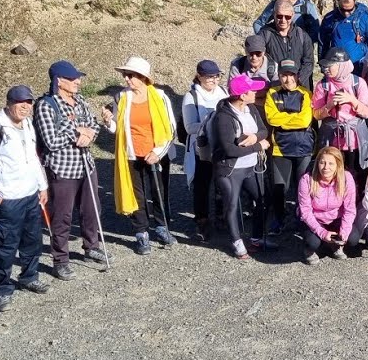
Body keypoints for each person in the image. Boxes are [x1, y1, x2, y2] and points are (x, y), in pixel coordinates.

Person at [0, 85, 51, 312]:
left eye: (29, 102)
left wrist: (42, 186)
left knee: (32, 241)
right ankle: (3, 290)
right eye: (20, 102)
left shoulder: (27, 124)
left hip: (31, 196)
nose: (25, 107)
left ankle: (29, 277)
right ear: (9, 103)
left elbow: (33, 159)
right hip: (8, 200)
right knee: (6, 247)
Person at [35, 61, 111, 281]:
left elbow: (94, 125)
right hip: (62, 169)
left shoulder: (81, 101)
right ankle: (60, 260)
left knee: (92, 208)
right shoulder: (46, 105)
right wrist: (77, 133)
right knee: (62, 216)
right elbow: (50, 140)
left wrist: (87, 133)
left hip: (86, 165)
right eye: (73, 79)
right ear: (59, 81)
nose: (78, 82)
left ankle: (92, 246)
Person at [105, 56, 177, 255]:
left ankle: (162, 227)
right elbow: (116, 128)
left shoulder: (160, 96)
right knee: (137, 194)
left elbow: (170, 128)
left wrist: (157, 152)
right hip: (131, 153)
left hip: (156, 153)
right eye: (125, 75)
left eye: (131, 75)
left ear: (143, 77)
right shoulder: (121, 97)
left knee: (159, 191)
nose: (127, 79)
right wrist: (107, 121)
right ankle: (141, 232)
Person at [211, 75, 271, 260]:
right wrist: (258, 146)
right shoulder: (223, 117)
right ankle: (236, 241)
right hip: (230, 169)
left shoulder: (251, 108)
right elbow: (229, 149)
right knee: (231, 205)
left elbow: (264, 130)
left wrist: (254, 137)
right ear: (242, 95)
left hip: (251, 166)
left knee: (262, 199)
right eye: (252, 90)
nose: (256, 92)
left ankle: (256, 238)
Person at [311, 47, 368, 189]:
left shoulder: (358, 83)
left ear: (341, 65)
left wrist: (352, 100)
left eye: (329, 66)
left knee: (356, 174)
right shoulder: (323, 85)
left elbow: (367, 112)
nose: (326, 69)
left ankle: (355, 203)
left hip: (355, 139)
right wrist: (329, 105)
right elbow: (316, 114)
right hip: (332, 139)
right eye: (324, 66)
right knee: (333, 174)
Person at [264, 60, 315, 235]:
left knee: (304, 186)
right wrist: (292, 119)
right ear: (279, 76)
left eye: (291, 75)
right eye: (284, 75)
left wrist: (284, 119)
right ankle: (279, 219)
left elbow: (305, 120)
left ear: (297, 76)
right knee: (280, 188)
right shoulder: (272, 93)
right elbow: (272, 119)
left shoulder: (306, 93)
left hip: (304, 147)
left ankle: (303, 219)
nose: (288, 79)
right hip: (280, 148)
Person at [182, 59, 229, 242]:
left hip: (221, 145)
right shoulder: (191, 97)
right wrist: (213, 123)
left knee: (221, 183)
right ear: (200, 77)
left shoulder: (223, 92)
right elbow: (189, 127)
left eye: (216, 76)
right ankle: (202, 220)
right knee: (202, 185)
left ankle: (221, 216)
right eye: (209, 77)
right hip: (201, 148)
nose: (213, 80)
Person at [297, 147, 357, 264]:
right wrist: (322, 232)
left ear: (338, 165)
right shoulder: (306, 180)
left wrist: (344, 231)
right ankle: (309, 249)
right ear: (317, 163)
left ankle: (334, 245)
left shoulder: (347, 178)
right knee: (313, 242)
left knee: (353, 238)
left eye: (331, 163)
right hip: (314, 219)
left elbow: (349, 209)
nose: (326, 167)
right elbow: (305, 211)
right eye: (322, 162)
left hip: (336, 218)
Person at [254, 0, 321, 51]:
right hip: (278, 51)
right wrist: (265, 42)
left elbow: (316, 31)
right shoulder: (275, 4)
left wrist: (304, 46)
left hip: (300, 53)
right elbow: (258, 23)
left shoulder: (307, 7)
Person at [319, 0, 368, 73]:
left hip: (358, 67)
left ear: (354, 4)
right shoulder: (329, 19)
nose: (346, 13)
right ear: (338, 3)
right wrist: (323, 63)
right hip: (336, 67)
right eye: (343, 10)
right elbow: (323, 42)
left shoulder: (363, 18)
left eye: (350, 10)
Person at [260, 1, 314, 89]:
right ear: (274, 14)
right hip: (274, 87)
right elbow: (259, 61)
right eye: (279, 16)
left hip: (298, 87)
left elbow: (308, 62)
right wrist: (279, 81)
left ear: (293, 15)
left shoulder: (302, 36)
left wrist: (296, 80)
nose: (283, 20)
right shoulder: (264, 35)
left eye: (287, 17)